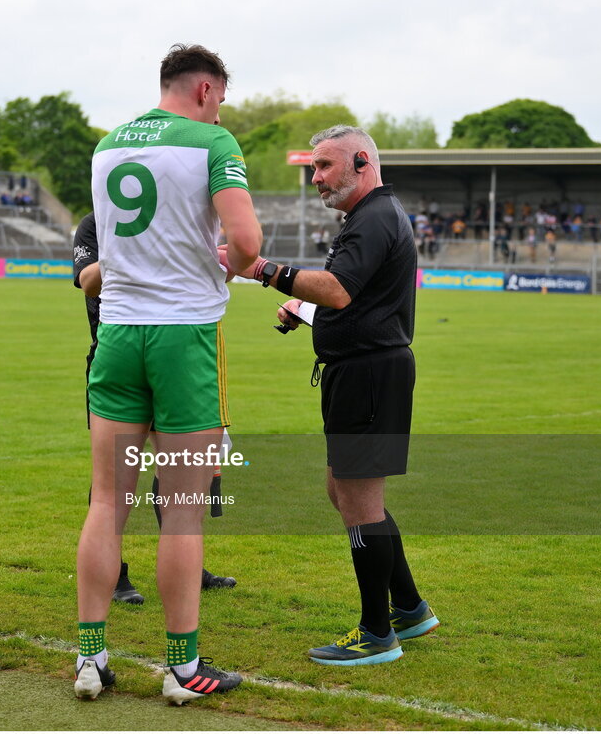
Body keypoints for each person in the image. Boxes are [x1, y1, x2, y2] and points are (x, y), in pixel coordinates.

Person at [75, 44, 261, 704]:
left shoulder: (107, 144)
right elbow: (248, 244)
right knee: (182, 509)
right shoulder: (213, 142)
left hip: (119, 333)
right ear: (207, 90)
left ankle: (91, 657)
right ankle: (182, 667)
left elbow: (105, 251)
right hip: (183, 338)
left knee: (106, 503)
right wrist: (226, 263)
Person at [235, 125, 438, 667]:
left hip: (369, 374)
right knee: (343, 492)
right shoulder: (370, 216)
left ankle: (377, 634)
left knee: (359, 502)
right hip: (362, 370)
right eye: (314, 169)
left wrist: (260, 269)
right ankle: (411, 608)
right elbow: (349, 292)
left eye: (325, 166)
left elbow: (339, 288)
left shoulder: (372, 217)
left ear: (362, 161)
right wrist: (306, 310)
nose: (316, 178)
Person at [73, 211, 238, 606]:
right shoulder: (94, 223)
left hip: (175, 354)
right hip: (116, 352)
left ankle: (188, 567)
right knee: (112, 481)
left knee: (179, 475)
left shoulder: (171, 213)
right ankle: (117, 575)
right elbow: (87, 282)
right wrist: (128, 251)